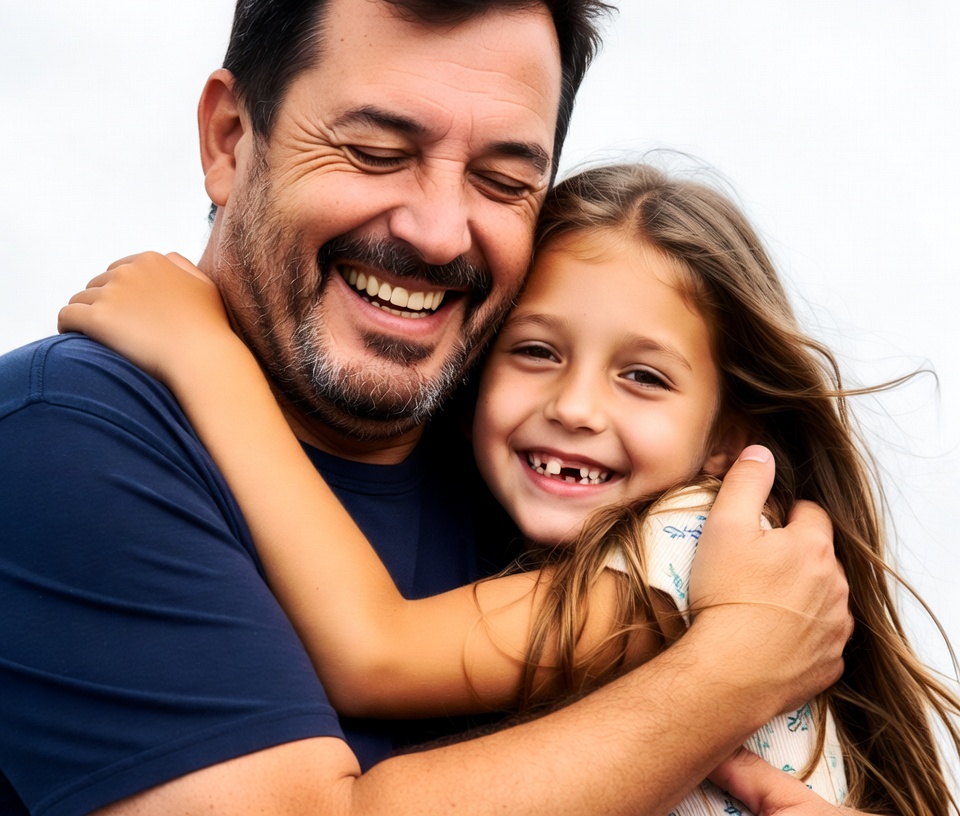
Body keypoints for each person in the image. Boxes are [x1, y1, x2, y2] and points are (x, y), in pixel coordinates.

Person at [0, 0, 851, 816]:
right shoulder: (67, 443)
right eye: (375, 151)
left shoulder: (544, 484)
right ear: (232, 138)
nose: (441, 232)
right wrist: (736, 666)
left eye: (501, 178)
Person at [61, 163, 960, 815]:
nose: (574, 406)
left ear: (728, 436)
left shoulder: (696, 558)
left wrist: (204, 358)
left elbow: (374, 649)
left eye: (643, 378)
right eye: (536, 352)